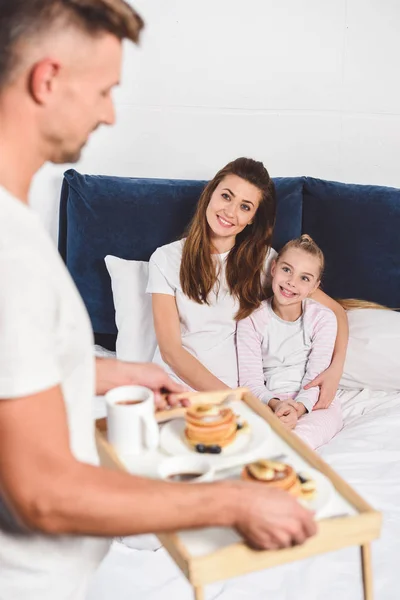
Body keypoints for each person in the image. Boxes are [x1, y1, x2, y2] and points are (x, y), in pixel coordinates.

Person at [0, 3, 316, 599]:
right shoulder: (13, 255)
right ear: (47, 79)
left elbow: (19, 372)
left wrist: (115, 371)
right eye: (104, 90)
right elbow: (42, 493)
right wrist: (227, 501)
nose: (112, 113)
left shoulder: (16, 235)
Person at [148, 157, 349, 407]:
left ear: (253, 217)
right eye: (226, 196)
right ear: (210, 194)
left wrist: (335, 370)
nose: (230, 212)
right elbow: (171, 352)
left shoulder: (267, 262)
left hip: (237, 397)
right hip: (177, 390)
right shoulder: (166, 258)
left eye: (245, 207)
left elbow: (336, 312)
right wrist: (237, 401)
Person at [237, 235, 343, 449]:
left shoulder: (322, 318)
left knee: (301, 440)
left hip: (313, 404)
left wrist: (298, 408)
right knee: (248, 435)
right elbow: (251, 382)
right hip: (267, 401)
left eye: (305, 278)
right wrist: (276, 405)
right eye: (287, 270)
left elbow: (316, 377)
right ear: (274, 268)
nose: (291, 282)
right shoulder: (251, 319)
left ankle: (286, 458)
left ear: (315, 286)